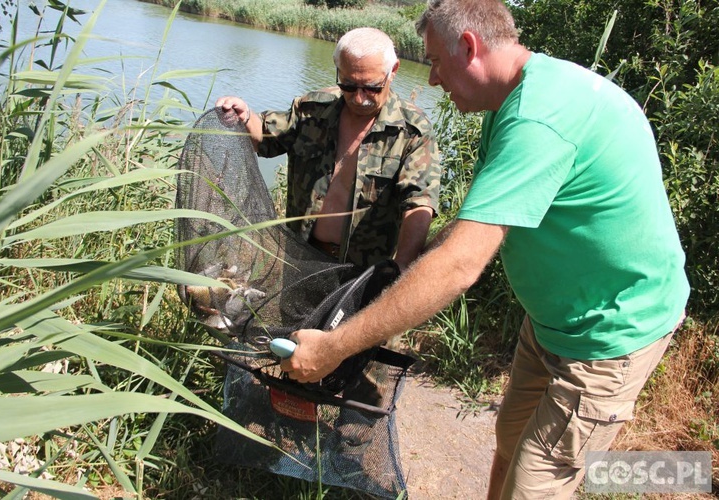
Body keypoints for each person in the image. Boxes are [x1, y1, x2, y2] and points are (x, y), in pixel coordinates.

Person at [280, 0, 691, 498]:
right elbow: (473, 227)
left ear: (469, 47)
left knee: (536, 481)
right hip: (552, 322)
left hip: (608, 331)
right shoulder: (519, 96)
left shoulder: (537, 121)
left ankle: (675, 477)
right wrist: (408, 267)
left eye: (432, 60)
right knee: (508, 446)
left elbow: (460, 266)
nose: (430, 79)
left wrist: (333, 348)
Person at [214, 27, 441, 271]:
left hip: (360, 272)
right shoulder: (312, 108)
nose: (358, 97)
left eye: (371, 87)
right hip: (298, 256)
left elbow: (419, 203)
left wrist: (400, 268)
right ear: (337, 68)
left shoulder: (412, 131)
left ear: (392, 71)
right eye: (349, 85)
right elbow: (267, 139)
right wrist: (245, 116)